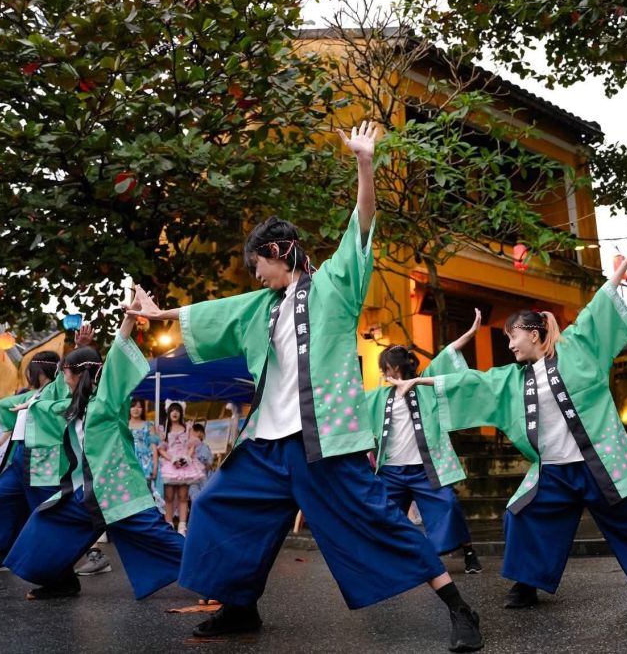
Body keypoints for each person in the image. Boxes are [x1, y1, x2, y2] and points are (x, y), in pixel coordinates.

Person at [127, 121, 483, 653]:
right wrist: (162, 312)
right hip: (267, 445)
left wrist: (365, 163)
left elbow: (362, 225)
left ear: (278, 251)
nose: (255, 276)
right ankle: (240, 607)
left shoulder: (336, 285)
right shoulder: (261, 306)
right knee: (219, 504)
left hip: (324, 444)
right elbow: (215, 311)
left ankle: (460, 608)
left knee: (380, 522)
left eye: (259, 265)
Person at [392, 232, 627, 608]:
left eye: (513, 337)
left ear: (534, 334)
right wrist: (420, 379)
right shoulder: (512, 379)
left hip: (601, 463)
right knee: (523, 514)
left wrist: (622, 269)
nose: (510, 344)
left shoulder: (580, 350)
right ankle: (527, 585)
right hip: (553, 472)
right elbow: (472, 382)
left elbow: (598, 310)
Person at [3, 290, 184, 600]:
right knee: (49, 520)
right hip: (86, 490)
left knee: (157, 536)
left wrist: (129, 318)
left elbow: (115, 356)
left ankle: (221, 577)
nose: (62, 377)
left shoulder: (108, 400)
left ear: (79, 373)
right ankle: (60, 580)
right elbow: (49, 403)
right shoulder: (76, 404)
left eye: (66, 372)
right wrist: (28, 406)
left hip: (117, 487)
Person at [366, 311, 483, 574]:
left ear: (398, 367)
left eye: (386, 367)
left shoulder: (425, 385)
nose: (383, 372)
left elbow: (447, 355)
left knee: (449, 506)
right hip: (392, 470)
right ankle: (391, 561)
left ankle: (469, 552)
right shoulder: (377, 397)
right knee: (383, 514)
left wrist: (470, 333)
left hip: (424, 468)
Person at [0, 350, 66, 574]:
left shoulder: (57, 388)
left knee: (50, 511)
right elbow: (13, 402)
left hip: (42, 459)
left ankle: (83, 556)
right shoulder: (34, 394)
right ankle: (4, 554)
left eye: (31, 369)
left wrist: (79, 346)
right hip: (20, 457)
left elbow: (60, 385)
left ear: (39, 370)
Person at [159, 402, 204, 535]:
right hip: (170, 464)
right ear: (168, 413)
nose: (175, 413)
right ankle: (168, 525)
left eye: (177, 410)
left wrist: (187, 459)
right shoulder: (165, 430)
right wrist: (172, 459)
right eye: (172, 410)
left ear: (181, 413)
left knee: (183, 496)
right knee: (169, 496)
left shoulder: (187, 428)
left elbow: (191, 446)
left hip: (185, 464)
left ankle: (182, 528)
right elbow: (161, 449)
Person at [188, 422, 214, 501]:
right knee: (194, 492)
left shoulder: (204, 447)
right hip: (193, 479)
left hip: (202, 477)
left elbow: (208, 464)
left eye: (191, 432)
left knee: (201, 493)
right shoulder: (189, 447)